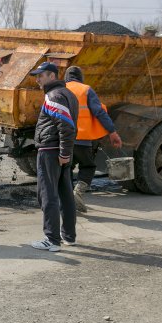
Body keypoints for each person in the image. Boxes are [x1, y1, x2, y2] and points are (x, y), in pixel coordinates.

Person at [29, 62, 79, 252]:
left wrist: (63, 153)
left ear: (51, 76)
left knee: (47, 194)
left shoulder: (54, 95)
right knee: (66, 194)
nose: (37, 80)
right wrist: (66, 152)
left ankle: (51, 239)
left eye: (40, 76)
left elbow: (65, 125)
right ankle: (69, 236)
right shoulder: (68, 94)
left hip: (51, 151)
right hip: (60, 151)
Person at [64, 66, 123, 212]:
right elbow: (99, 112)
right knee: (88, 166)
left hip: (64, 139)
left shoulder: (60, 89)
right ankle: (77, 193)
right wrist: (112, 132)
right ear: (80, 78)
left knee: (66, 168)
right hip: (82, 139)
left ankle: (66, 199)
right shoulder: (86, 90)